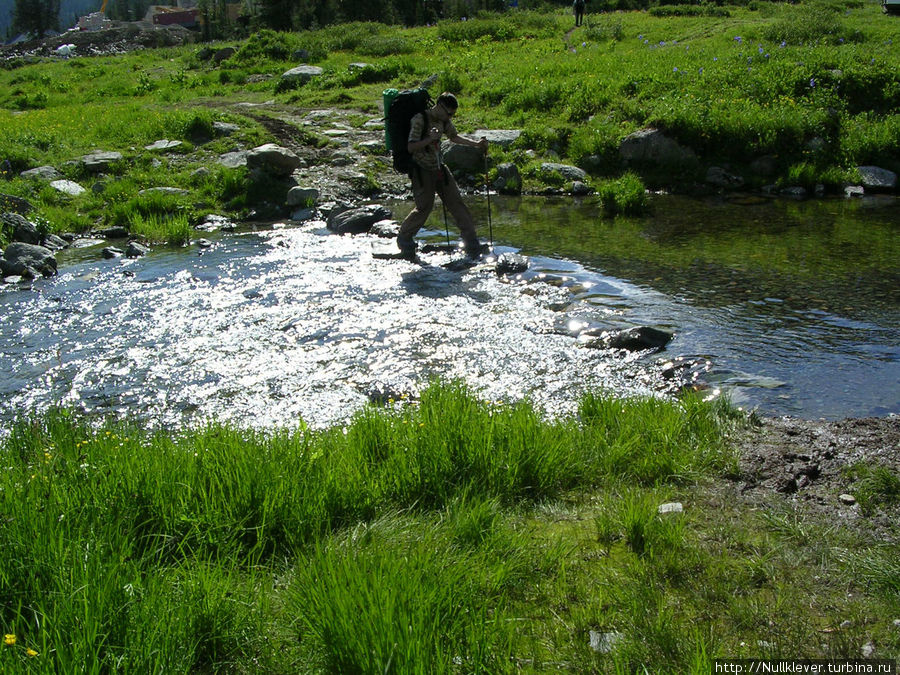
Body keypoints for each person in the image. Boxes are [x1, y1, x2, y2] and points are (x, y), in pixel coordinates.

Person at [396, 92, 489, 258]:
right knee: (425, 207)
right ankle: (404, 238)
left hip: (439, 167)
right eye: (448, 113)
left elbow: (454, 137)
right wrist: (430, 139)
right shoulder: (419, 119)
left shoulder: (444, 120)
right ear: (439, 106)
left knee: (456, 201)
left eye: (452, 114)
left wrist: (476, 145)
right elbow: (411, 147)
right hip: (421, 168)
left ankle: (471, 241)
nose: (450, 116)